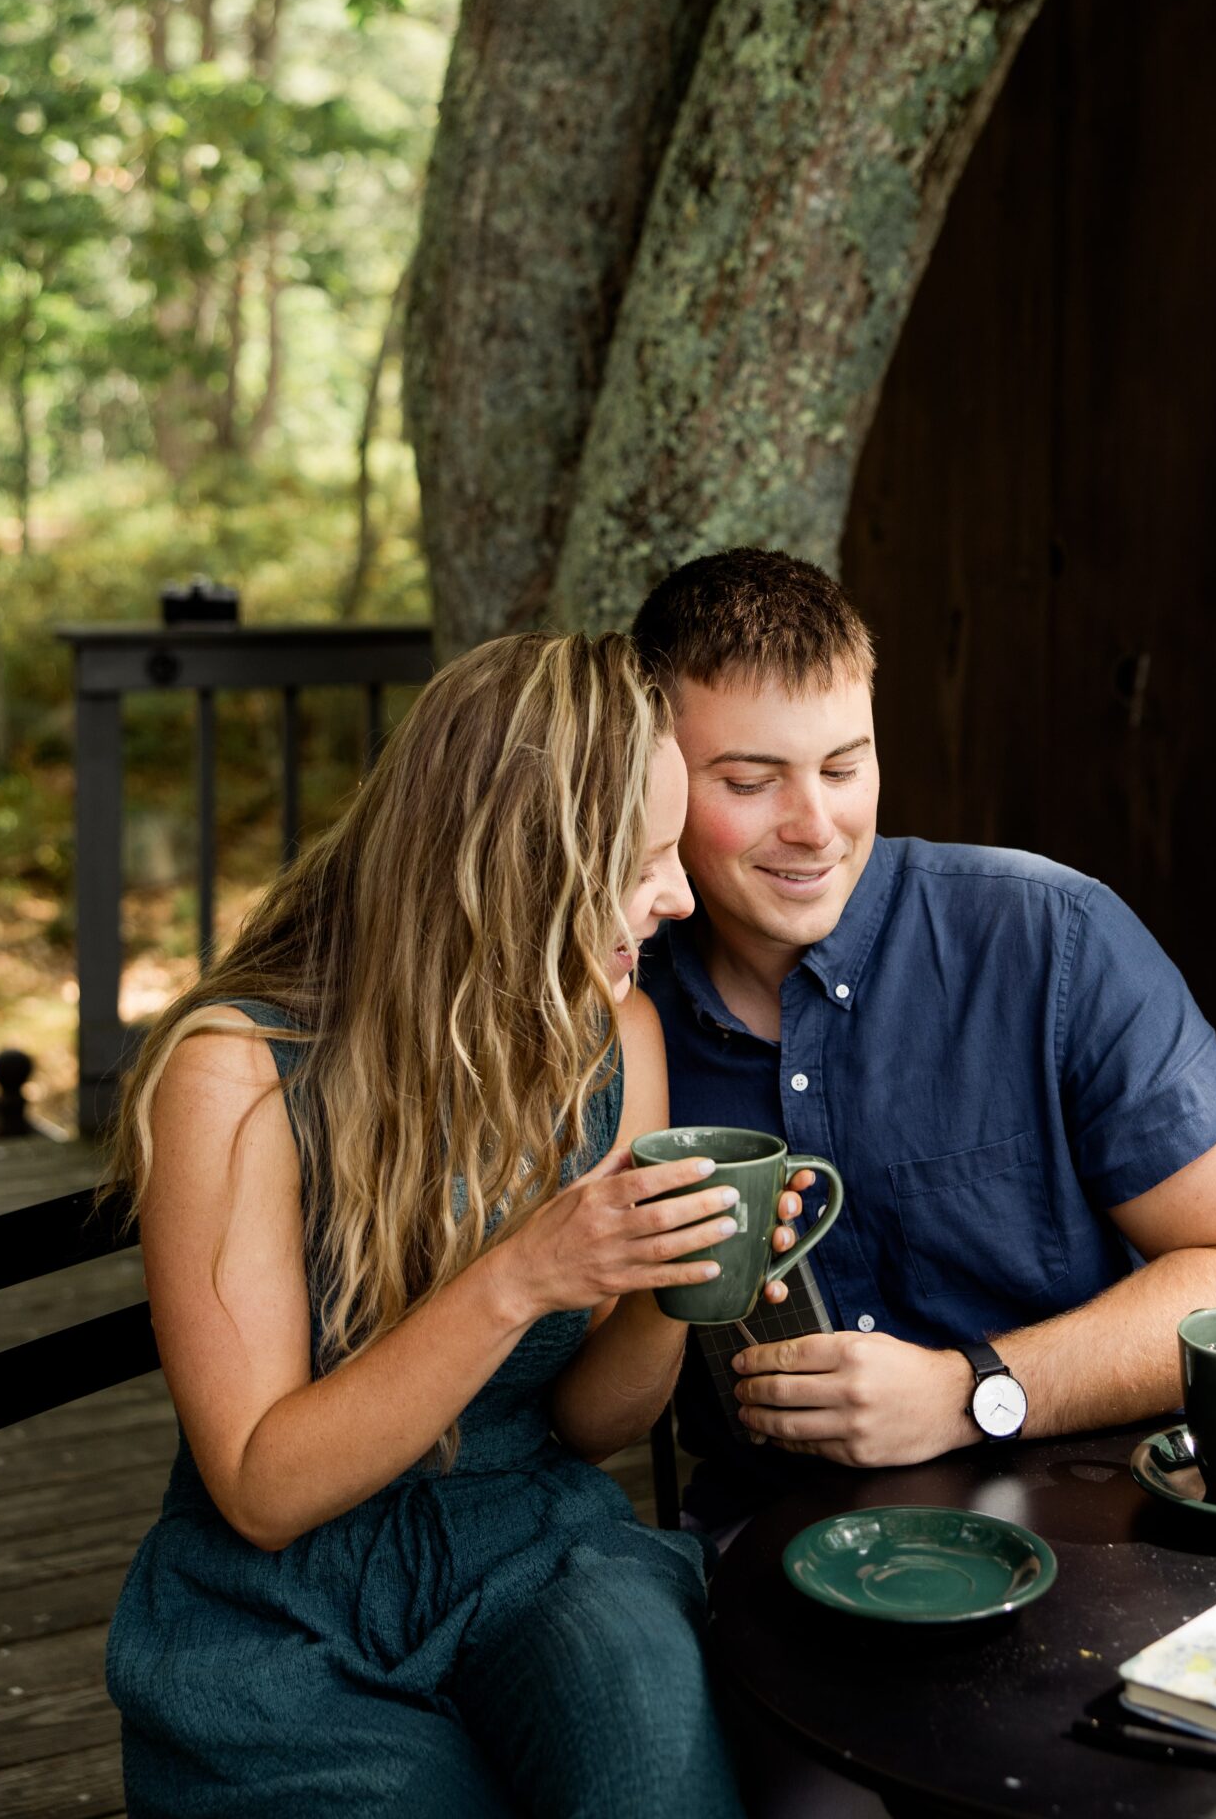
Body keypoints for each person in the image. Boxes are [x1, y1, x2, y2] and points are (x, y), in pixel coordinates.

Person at [103, 631, 796, 1819]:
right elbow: (263, 1486)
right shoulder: (238, 1077)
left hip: (537, 1549)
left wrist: (669, 1282)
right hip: (282, 1616)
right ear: (513, 868)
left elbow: (587, 1426)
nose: (680, 895)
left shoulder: (613, 1034)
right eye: (644, 860)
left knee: (657, 1787)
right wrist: (522, 1275)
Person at [633, 549, 1216, 1524]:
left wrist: (969, 1390)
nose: (816, 826)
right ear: (652, 775)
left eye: (843, 767)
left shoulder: (1052, 939)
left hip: (1086, 1520)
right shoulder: (618, 1008)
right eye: (750, 781)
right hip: (769, 1550)